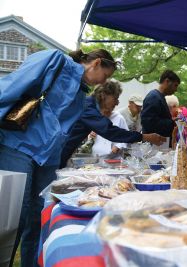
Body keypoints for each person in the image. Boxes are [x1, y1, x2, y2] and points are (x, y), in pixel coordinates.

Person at [0, 48, 118, 267]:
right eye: (106, 75)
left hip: (48, 157)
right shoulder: (55, 60)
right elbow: (11, 87)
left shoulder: (82, 95)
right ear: (97, 63)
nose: (104, 82)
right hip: (19, 146)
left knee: (40, 216)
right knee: (14, 217)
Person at [60, 80, 165, 168]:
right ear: (103, 95)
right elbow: (111, 132)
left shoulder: (90, 107)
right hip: (56, 153)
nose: (117, 103)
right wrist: (145, 137)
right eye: (115, 98)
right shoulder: (88, 108)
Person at [141, 70, 180, 141]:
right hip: (154, 146)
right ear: (167, 81)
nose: (176, 89)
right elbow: (148, 123)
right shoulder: (153, 97)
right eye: (175, 85)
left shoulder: (159, 97)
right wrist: (171, 122)